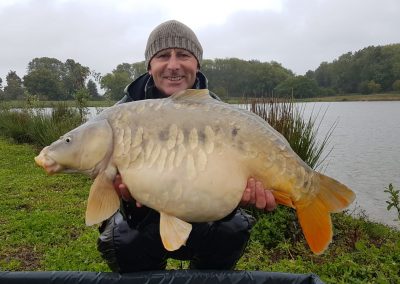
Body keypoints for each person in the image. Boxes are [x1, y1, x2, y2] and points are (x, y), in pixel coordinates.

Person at [97, 20, 277, 273]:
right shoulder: (121, 115)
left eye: (183, 55)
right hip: (143, 218)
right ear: (150, 66)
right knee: (122, 238)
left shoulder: (219, 114)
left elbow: (226, 182)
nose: (173, 65)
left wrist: (238, 197)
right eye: (162, 56)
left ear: (197, 64)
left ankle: (204, 277)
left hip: (202, 209)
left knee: (233, 227)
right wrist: (128, 201)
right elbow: (105, 186)